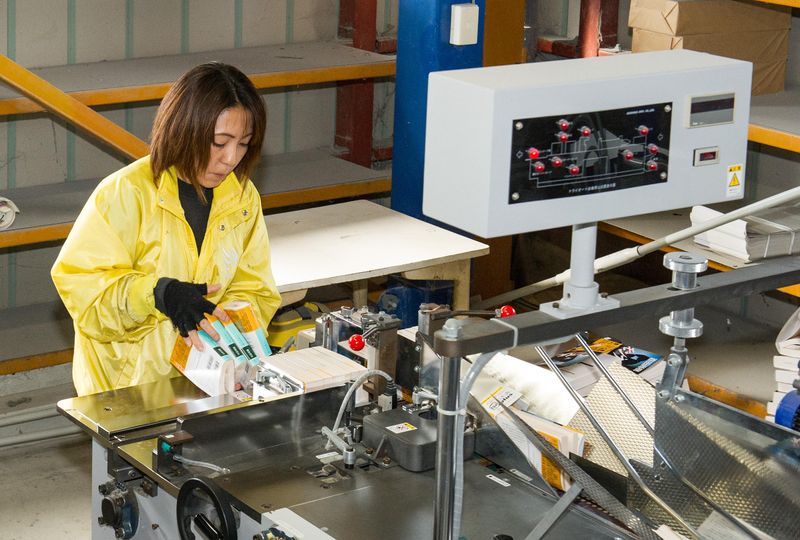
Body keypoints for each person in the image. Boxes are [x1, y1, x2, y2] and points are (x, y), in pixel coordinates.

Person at [51, 62, 282, 396]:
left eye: (244, 143)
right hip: (127, 394)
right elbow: (87, 298)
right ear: (184, 130)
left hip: (206, 386)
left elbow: (254, 290)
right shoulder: (124, 194)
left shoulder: (242, 197)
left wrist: (231, 345)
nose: (231, 158)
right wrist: (158, 294)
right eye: (219, 142)